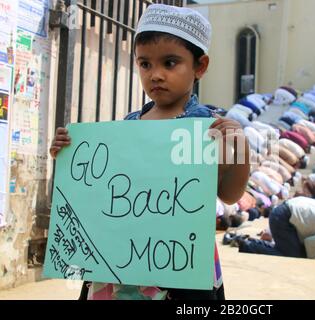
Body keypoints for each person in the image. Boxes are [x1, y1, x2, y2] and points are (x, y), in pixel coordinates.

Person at [49, 4, 250, 301]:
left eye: (170, 63)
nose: (155, 74)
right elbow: (100, 192)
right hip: (122, 261)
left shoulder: (208, 130)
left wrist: (239, 150)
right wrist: (68, 156)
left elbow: (230, 196)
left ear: (200, 66)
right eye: (145, 64)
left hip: (180, 266)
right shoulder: (129, 126)